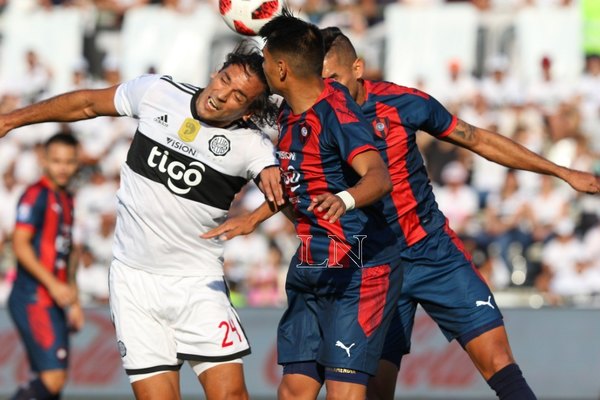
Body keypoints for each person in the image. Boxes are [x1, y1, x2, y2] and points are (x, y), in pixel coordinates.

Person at [205, 28, 600, 400]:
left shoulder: (402, 103)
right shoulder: (308, 115)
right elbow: (299, 187)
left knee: (497, 360)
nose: (329, 88)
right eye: (322, 80)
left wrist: (561, 172)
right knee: (372, 390)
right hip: (370, 260)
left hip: (432, 252)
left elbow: (476, 139)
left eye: (336, 78)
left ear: (358, 69)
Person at [0, 42, 284, 400]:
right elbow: (86, 103)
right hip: (133, 283)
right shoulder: (158, 92)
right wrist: (12, 119)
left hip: (196, 284)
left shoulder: (251, 145)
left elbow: (288, 190)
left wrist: (257, 216)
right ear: (216, 71)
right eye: (225, 79)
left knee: (230, 396)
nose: (222, 94)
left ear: (249, 110)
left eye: (238, 95)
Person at [258, 10, 403, 400]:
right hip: (310, 262)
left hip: (357, 266)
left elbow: (379, 175)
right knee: (293, 391)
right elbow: (296, 185)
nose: (262, 68)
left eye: (266, 60)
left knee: (346, 392)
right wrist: (252, 218)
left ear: (282, 69)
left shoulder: (335, 111)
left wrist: (344, 198)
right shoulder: (289, 110)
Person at [8, 132, 84, 400]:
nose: (62, 167)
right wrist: (53, 284)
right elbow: (20, 244)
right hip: (33, 297)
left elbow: (69, 250)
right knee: (52, 378)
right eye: (56, 161)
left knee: (51, 382)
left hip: (53, 299)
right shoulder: (35, 195)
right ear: (44, 160)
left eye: (69, 161)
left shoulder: (68, 198)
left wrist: (73, 298)